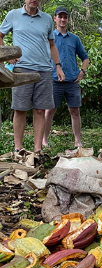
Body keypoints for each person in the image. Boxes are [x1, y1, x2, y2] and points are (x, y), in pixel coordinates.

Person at [0, 0, 65, 153]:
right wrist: (7, 53)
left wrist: (58, 66)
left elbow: (51, 44)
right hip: (22, 69)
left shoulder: (47, 18)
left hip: (44, 69)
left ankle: (37, 149)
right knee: (20, 109)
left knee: (40, 110)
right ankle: (18, 149)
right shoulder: (13, 15)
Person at [42, 7, 89, 148]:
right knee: (50, 111)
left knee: (75, 111)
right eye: (60, 17)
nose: (63, 19)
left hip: (72, 81)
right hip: (54, 80)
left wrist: (82, 71)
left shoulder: (75, 39)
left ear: (68, 19)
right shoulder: (49, 37)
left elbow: (85, 58)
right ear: (55, 18)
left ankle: (77, 141)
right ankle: (44, 140)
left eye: (65, 17)